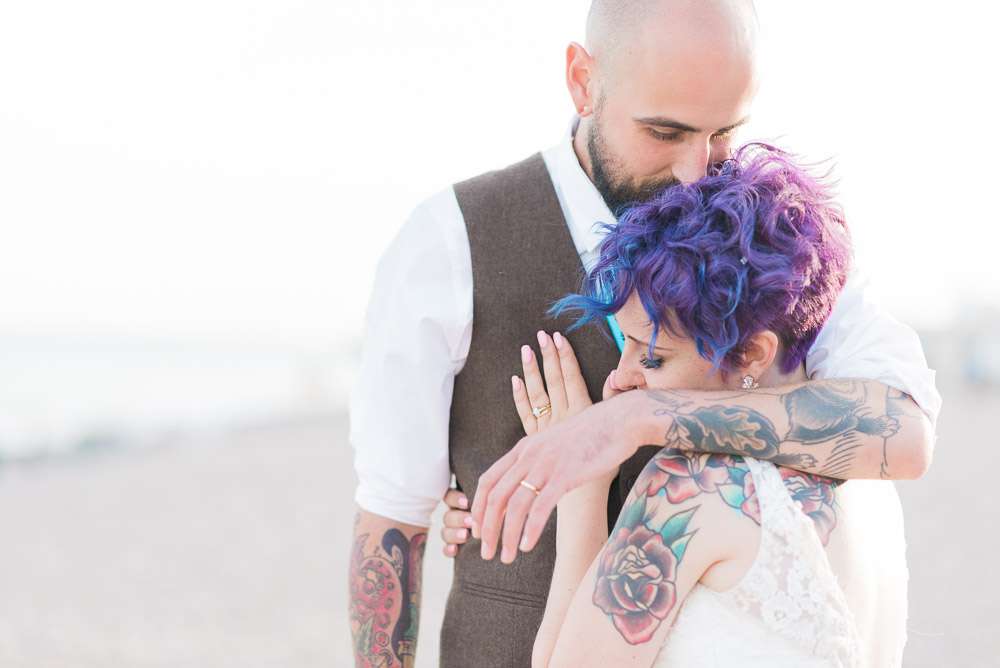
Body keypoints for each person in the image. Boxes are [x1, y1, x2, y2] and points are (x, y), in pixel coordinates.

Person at [350, 2, 940, 666]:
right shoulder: (448, 241)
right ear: (583, 82)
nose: (696, 170)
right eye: (665, 132)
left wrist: (632, 420)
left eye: (724, 133)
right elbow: (392, 521)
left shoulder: (783, 252)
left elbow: (901, 432)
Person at [508, 144, 906, 666]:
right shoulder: (871, 473)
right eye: (625, 343)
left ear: (751, 354)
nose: (619, 378)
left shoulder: (691, 486)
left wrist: (583, 494)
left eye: (653, 357)